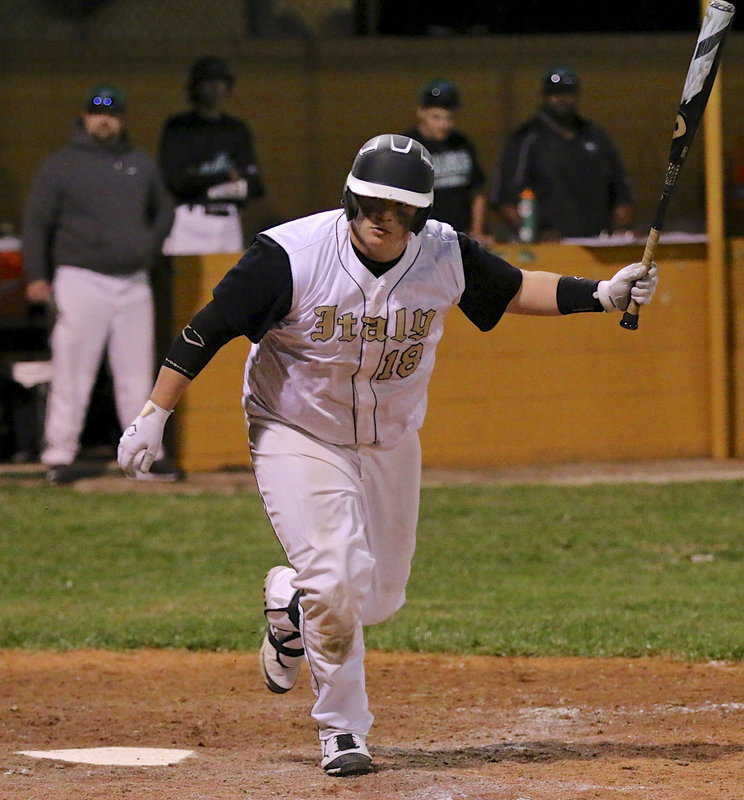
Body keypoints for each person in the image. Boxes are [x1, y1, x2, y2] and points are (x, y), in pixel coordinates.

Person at [117, 134, 658, 777]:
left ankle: (292, 603)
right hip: (297, 429)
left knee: (376, 601)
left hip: (391, 439)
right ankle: (343, 730)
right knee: (337, 577)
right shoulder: (290, 255)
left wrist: (604, 293)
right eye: (371, 203)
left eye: (398, 208)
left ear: (419, 215)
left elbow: (514, 289)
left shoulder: (443, 253)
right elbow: (206, 329)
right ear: (351, 198)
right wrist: (155, 413)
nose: (382, 217)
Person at [22, 85, 176, 484]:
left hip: (133, 281)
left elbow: (164, 211)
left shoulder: (140, 164)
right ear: (84, 117)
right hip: (80, 278)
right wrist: (36, 275)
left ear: (121, 119)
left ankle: (143, 457)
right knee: (73, 372)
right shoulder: (61, 165)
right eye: (96, 113)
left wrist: (147, 248)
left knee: (137, 375)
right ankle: (59, 455)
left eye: (111, 113)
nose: (103, 120)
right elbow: (36, 222)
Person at [490, 66, 634, 242]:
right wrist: (533, 235)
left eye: (567, 93)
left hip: (597, 241)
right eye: (555, 94)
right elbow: (505, 200)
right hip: (547, 245)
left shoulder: (596, 136)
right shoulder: (526, 139)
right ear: (544, 96)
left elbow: (621, 192)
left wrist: (621, 229)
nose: (561, 99)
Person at [159, 56, 266, 255]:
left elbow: (254, 186)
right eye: (208, 81)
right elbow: (176, 182)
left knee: (229, 275)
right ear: (196, 87)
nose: (215, 87)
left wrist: (202, 181)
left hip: (229, 221)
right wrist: (226, 177)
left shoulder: (236, 129)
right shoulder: (179, 128)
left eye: (220, 81)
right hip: (190, 219)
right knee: (186, 275)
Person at [402, 78, 489, 242]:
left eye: (450, 118)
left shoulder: (462, 144)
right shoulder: (407, 147)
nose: (444, 125)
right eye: (436, 117)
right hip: (421, 236)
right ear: (421, 112)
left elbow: (477, 191)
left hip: (460, 235)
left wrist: (477, 231)